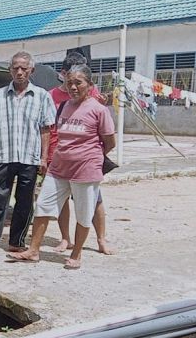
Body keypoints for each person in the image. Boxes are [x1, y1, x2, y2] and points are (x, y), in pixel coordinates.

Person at [7, 65, 116, 269]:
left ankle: (76, 255)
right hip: (59, 168)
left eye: (78, 83)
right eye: (69, 83)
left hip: (85, 170)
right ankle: (33, 251)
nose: (73, 87)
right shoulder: (64, 106)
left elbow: (110, 143)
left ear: (90, 85)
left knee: (84, 212)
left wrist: (91, 158)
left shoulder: (99, 110)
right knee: (43, 206)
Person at [0, 51, 56, 261]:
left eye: (24, 68)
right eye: (15, 68)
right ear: (9, 69)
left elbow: (45, 129)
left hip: (30, 157)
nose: (19, 72)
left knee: (25, 202)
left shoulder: (42, 96)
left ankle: (17, 242)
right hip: (3, 156)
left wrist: (43, 158)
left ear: (32, 70)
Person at [48, 53, 115, 255]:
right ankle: (65, 238)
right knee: (62, 201)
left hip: (86, 162)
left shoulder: (91, 93)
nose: (75, 85)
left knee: (94, 201)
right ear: (63, 74)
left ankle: (101, 239)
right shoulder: (52, 95)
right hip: (58, 153)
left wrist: (94, 155)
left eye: (80, 79)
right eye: (71, 78)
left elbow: (104, 131)